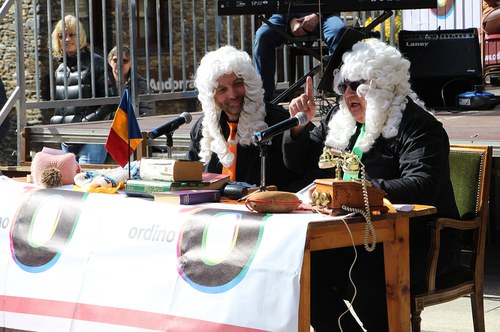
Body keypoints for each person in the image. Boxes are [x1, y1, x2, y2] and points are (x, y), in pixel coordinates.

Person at [283, 38, 461, 331]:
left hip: (419, 239)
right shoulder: (340, 120)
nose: (347, 93)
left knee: (365, 279)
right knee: (302, 274)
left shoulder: (419, 126)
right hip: (352, 238)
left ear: (382, 85)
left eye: (357, 85)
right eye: (344, 86)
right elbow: (299, 164)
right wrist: (299, 127)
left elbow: (422, 185)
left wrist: (351, 192)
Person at [186, 45, 303, 191]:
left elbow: (308, 174)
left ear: (250, 83)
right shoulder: (203, 129)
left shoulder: (281, 121)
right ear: (211, 97)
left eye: (238, 84)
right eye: (222, 90)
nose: (233, 94)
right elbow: (188, 177)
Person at [50, 15, 117, 164]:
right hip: (67, 137)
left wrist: (87, 121)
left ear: (80, 36)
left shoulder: (97, 62)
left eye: (72, 34)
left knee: (87, 183)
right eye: (62, 36)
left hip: (92, 136)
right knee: (70, 184)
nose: (67, 39)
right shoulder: (60, 68)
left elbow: (112, 100)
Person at [253, 12, 346, 102]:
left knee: (339, 31)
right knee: (263, 36)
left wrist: (318, 15)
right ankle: (264, 101)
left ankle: (342, 95)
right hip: (284, 15)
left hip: (325, 13)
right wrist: (291, 19)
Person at [108, 45, 155, 117]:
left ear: (131, 63)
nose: (119, 64)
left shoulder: (141, 84)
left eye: (124, 61)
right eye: (115, 60)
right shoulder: (102, 83)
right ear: (110, 61)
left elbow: (147, 113)